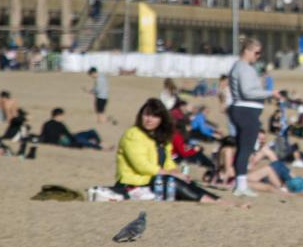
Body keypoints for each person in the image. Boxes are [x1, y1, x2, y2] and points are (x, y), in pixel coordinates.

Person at [114, 99, 218, 202]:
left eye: (155, 116)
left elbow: (168, 161)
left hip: (154, 181)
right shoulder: (133, 134)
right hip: (133, 184)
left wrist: (177, 173)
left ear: (161, 119)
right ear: (140, 115)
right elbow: (142, 166)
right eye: (146, 115)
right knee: (168, 181)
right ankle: (208, 201)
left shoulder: (161, 137)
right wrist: (170, 174)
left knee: (187, 183)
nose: (149, 120)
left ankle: (217, 200)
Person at [227, 38, 271, 197]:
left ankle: (240, 184)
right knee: (246, 148)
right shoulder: (243, 67)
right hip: (246, 111)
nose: (258, 56)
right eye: (257, 52)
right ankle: (241, 185)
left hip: (245, 110)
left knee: (244, 147)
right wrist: (270, 93)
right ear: (247, 50)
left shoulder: (243, 67)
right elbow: (247, 92)